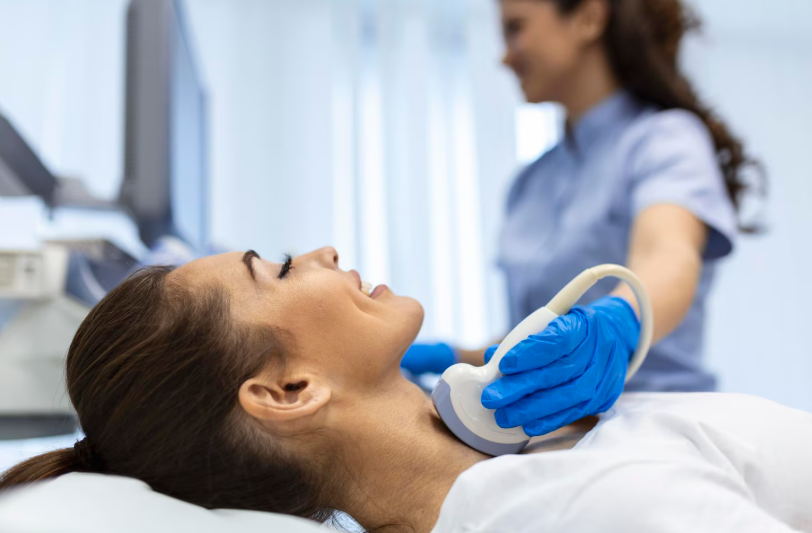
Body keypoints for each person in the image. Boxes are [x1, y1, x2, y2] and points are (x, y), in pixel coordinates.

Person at [1, 248, 809, 533]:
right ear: (287, 390)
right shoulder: (574, 507)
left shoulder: (524, 456)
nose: (320, 248)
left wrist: (623, 313)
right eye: (278, 269)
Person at [402, 0, 765, 437]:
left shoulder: (665, 140)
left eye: (516, 28)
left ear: (588, 18)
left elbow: (668, 255)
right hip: (547, 440)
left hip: (660, 427)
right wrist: (455, 358)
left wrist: (621, 319)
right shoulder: (530, 182)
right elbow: (541, 339)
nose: (504, 56)